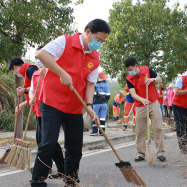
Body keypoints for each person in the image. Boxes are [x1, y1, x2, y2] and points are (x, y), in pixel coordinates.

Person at [32, 19, 111, 187]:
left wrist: (89, 106)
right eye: (98, 39)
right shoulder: (65, 42)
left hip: (75, 107)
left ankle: (71, 178)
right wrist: (61, 73)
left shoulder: (94, 58)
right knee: (48, 143)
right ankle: (37, 179)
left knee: (75, 146)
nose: (100, 44)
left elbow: (90, 83)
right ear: (88, 32)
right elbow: (42, 55)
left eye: (103, 41)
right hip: (52, 102)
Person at [28, 48, 65, 179]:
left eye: (40, 57)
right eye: (36, 57)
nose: (38, 60)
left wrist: (46, 75)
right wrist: (31, 96)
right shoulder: (35, 74)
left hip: (51, 111)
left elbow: (57, 89)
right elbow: (32, 90)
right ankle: (54, 168)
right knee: (42, 141)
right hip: (39, 111)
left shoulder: (54, 72)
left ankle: (51, 169)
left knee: (49, 142)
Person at [124, 57, 166, 162]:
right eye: (128, 70)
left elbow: (160, 80)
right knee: (140, 130)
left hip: (154, 103)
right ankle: (140, 154)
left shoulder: (148, 70)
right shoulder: (129, 78)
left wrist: (153, 79)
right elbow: (133, 94)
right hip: (140, 105)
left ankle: (160, 153)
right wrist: (142, 99)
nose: (130, 72)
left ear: (137, 66)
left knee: (158, 128)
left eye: (131, 69)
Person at [91, 71, 111, 136]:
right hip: (104, 104)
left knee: (94, 117)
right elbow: (108, 96)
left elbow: (91, 95)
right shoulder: (106, 85)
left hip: (96, 104)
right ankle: (102, 132)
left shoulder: (94, 85)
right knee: (103, 118)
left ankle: (95, 131)